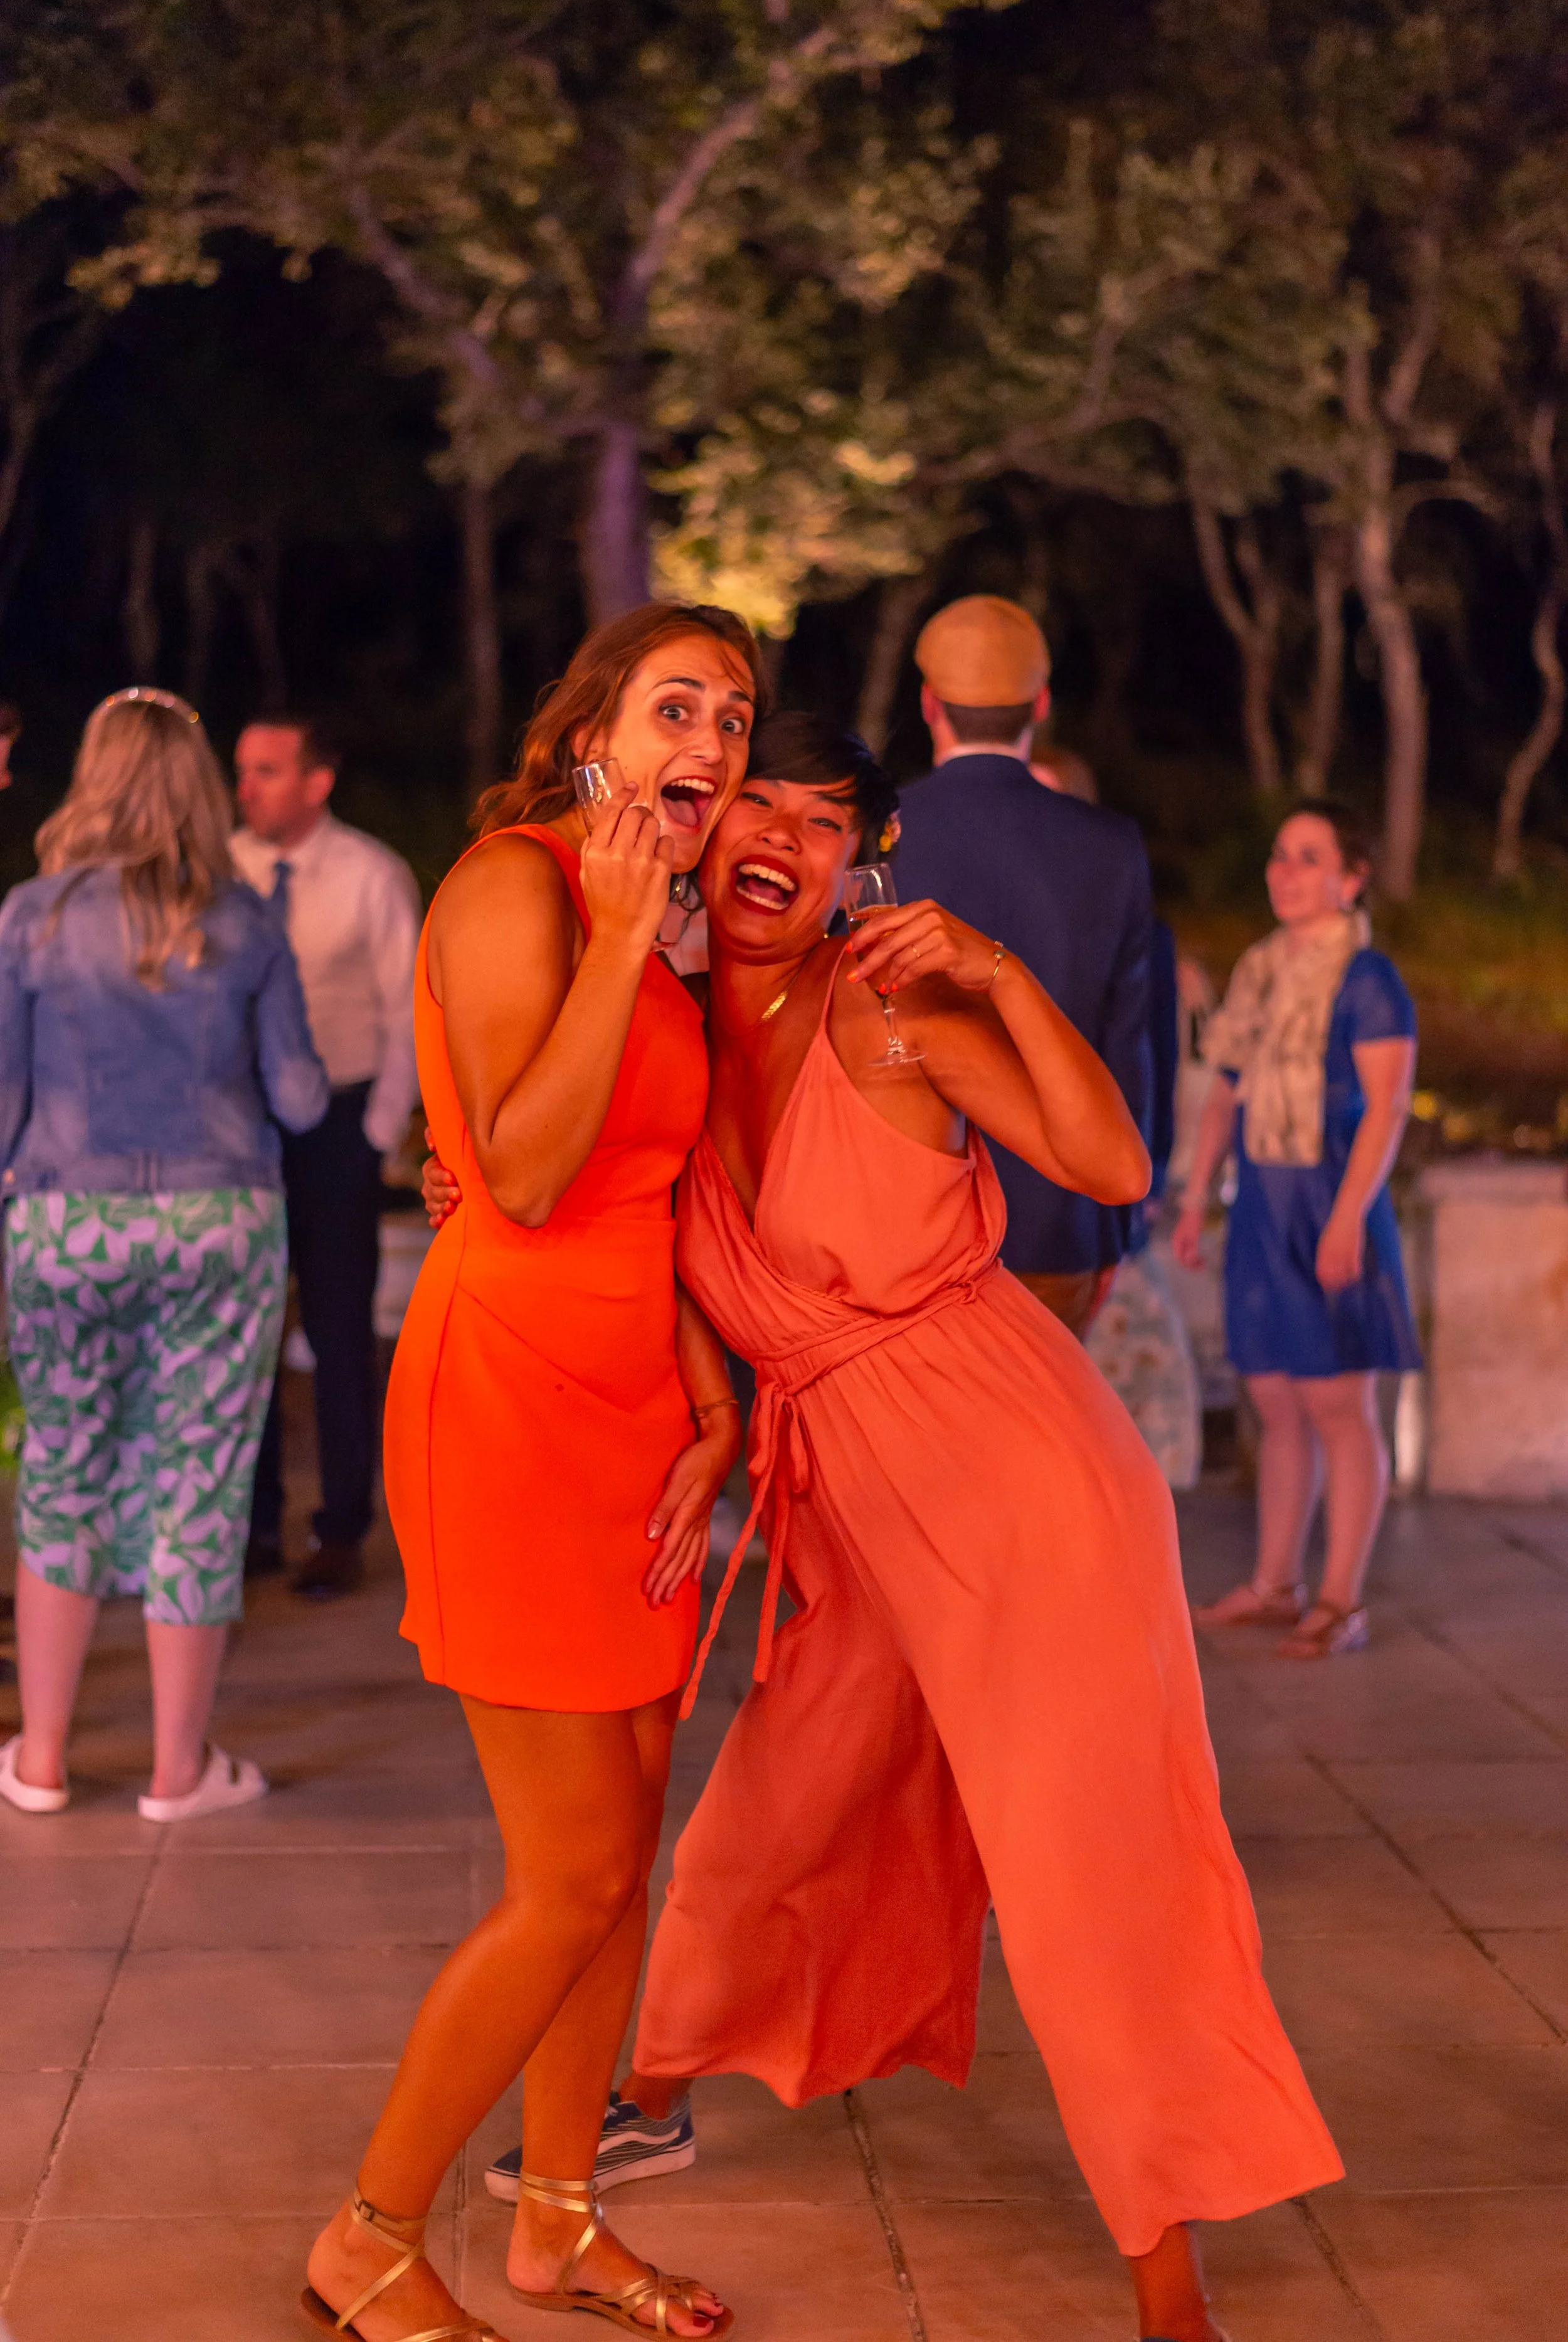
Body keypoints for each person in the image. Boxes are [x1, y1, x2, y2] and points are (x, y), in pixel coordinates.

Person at [443, 712, 1341, 2342]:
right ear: (709, 832)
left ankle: (1170, 2281)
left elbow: (1110, 1161)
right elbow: (589, 1193)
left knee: (1090, 1872)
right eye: (757, 805)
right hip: (854, 1502)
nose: (780, 837)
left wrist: (999, 974)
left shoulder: (890, 1002)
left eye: (823, 820)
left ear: (861, 858)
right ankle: (654, 2089)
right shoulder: (660, 1026)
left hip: (1019, 1481)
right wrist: (481, 1207)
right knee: (774, 1803)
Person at [302, 604, 761, 2342]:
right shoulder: (517, 886)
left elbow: (656, 1193)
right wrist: (627, 934)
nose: (709, 739)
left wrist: (709, 1402)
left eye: (732, 713)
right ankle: (367, 2232)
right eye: (674, 705)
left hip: (636, 1412)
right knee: (567, 1869)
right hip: (506, 1399)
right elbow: (527, 1173)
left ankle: (558, 2217)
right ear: (593, 733)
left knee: (622, 1853)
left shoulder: (666, 924)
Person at [0, 688, 327, 1823]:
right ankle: (178, 1773)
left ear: (92, 776)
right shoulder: (246, 921)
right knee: (199, 1476)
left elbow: (4, 1103)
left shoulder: (30, 917)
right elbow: (300, 1096)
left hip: (65, 1220)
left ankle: (41, 1761)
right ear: (198, 785)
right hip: (216, 1221)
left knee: (63, 1465)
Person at [1173, 803, 1419, 1658]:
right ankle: (1276, 1582)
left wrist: (1347, 1218)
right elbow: (1224, 1093)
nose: (1285, 872)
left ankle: (1341, 1600)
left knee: (1337, 1405)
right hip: (1262, 1207)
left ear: (1351, 878)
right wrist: (1198, 1197)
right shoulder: (1260, 969)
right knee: (1276, 1400)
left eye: (1310, 858)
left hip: (1330, 1201)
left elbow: (1387, 1106)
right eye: (1280, 855)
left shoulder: (1367, 978)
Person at [893, 595, 1153, 1338]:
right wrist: (1116, 1225)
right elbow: (1128, 1046)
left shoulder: (876, 832)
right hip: (1060, 1221)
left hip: (909, 1225)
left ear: (929, 703)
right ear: (1039, 704)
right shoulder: (1110, 847)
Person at [231, 716, 421, 1598]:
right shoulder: (221, 870)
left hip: (340, 1120)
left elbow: (407, 1008)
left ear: (317, 781)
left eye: (268, 771)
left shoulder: (370, 875)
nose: (247, 789)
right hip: (242, 1122)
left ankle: (342, 1525)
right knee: (245, 1328)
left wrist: (377, 1135)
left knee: (339, 1331)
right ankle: (255, 1523)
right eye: (243, 770)